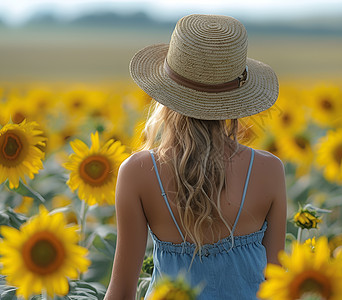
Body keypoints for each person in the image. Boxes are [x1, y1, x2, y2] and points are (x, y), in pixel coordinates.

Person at [104, 14, 286, 300]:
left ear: (165, 92)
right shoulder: (268, 171)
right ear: (236, 98)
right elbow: (279, 288)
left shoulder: (137, 173)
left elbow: (122, 292)